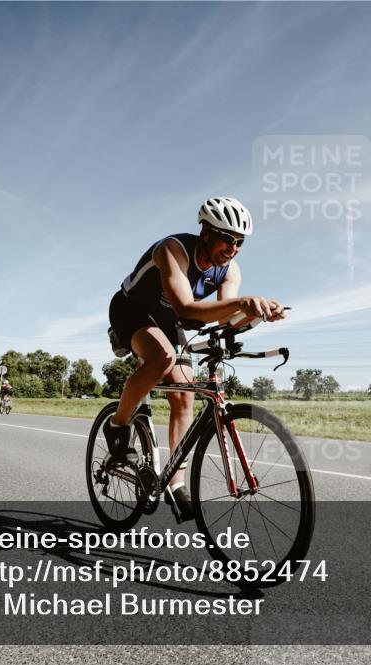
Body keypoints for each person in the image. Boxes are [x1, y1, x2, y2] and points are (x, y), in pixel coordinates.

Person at [105, 197, 285, 521]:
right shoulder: (172, 250)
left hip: (167, 321)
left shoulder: (230, 270)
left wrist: (257, 314)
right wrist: (243, 303)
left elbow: (224, 318)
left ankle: (175, 484)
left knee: (184, 396)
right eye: (227, 239)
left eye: (240, 242)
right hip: (131, 310)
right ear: (205, 231)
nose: (233, 248)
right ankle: (117, 426)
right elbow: (187, 309)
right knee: (162, 357)